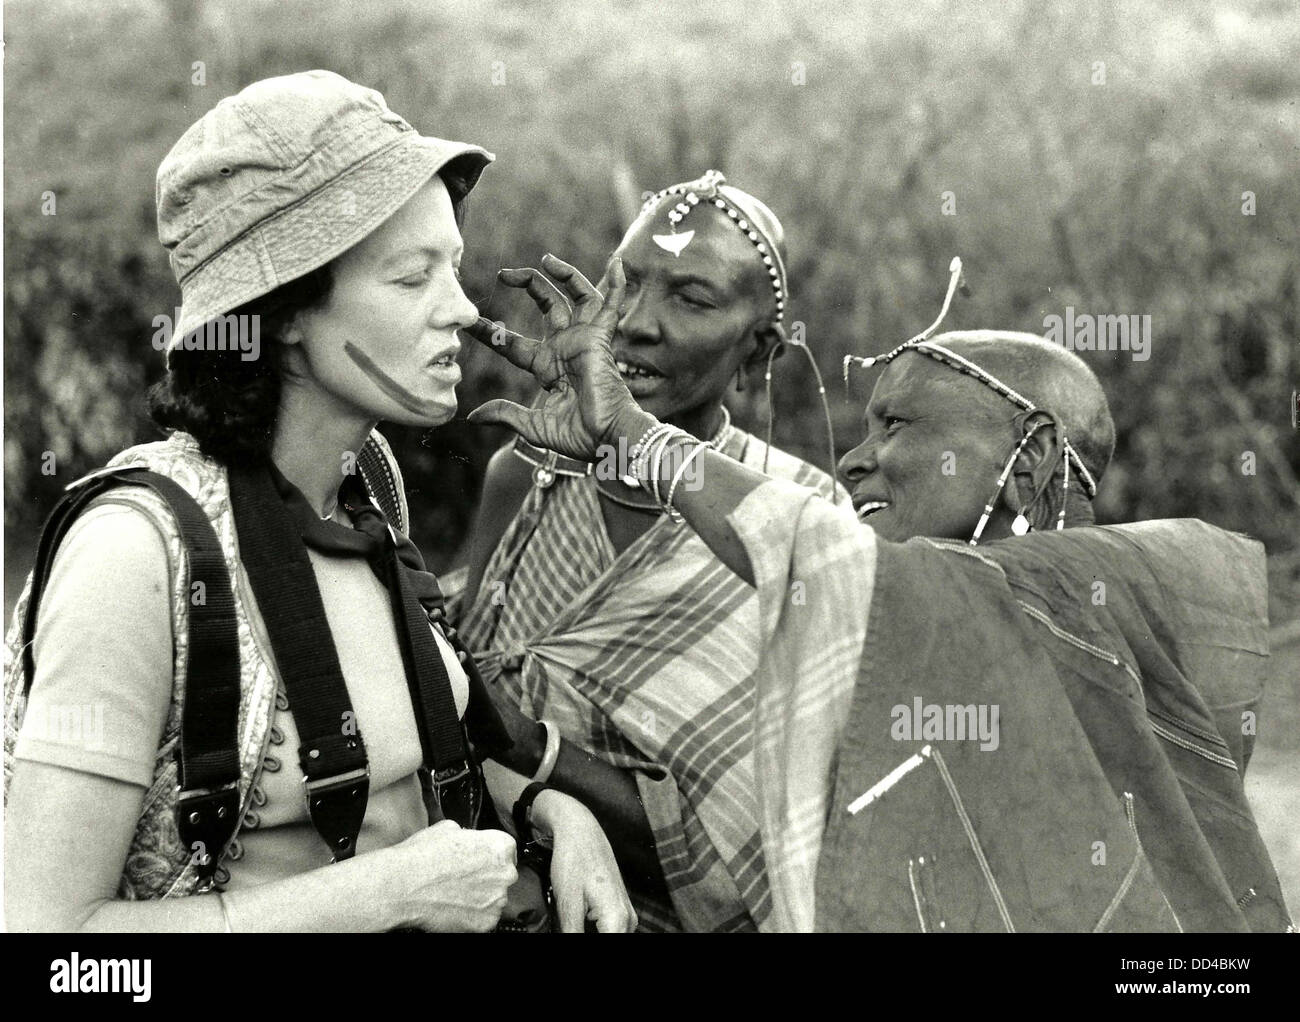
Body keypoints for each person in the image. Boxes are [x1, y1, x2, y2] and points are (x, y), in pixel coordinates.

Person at [465, 255, 1293, 933]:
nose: (855, 462)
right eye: (861, 430)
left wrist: (633, 434)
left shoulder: (1083, 589)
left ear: (1032, 462)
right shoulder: (948, 632)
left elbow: (815, 553)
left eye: (896, 427)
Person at [3, 70, 635, 933]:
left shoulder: (367, 490)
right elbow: (54, 953)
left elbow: (394, 759)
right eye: (412, 279)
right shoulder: (137, 556)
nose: (460, 311)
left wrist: (553, 813)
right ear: (287, 310)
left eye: (451, 267)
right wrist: (387, 896)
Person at [457, 170, 845, 931]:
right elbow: (460, 753)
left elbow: (772, 843)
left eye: (691, 299)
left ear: (758, 345)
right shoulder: (525, 477)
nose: (633, 323)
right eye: (624, 284)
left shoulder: (800, 517)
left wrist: (527, 743)